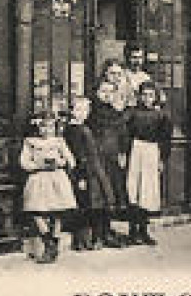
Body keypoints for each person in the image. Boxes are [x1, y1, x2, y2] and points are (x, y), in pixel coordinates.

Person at [18, 113, 76, 264]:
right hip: (38, 178)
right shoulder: (30, 142)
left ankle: (54, 241)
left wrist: (59, 162)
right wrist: (37, 165)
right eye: (43, 126)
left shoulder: (59, 142)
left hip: (56, 178)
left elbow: (71, 160)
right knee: (36, 211)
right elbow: (24, 162)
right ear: (38, 127)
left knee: (58, 212)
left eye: (50, 126)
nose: (46, 130)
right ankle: (48, 241)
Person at [62, 95, 118, 250]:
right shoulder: (73, 130)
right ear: (72, 111)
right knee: (84, 204)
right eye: (79, 109)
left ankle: (94, 238)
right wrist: (80, 176)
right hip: (85, 171)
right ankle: (81, 239)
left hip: (94, 169)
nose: (83, 113)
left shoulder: (84, 128)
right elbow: (77, 155)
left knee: (95, 203)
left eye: (86, 109)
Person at [123, 82, 173, 246]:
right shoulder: (132, 113)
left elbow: (165, 140)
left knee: (147, 191)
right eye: (144, 95)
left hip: (152, 151)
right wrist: (125, 153)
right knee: (133, 189)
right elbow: (125, 134)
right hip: (136, 150)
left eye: (150, 95)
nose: (147, 99)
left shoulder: (161, 116)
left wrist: (162, 159)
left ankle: (144, 230)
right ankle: (132, 231)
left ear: (156, 97)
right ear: (139, 96)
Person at [86, 76, 131, 245]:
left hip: (112, 159)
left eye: (110, 92)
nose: (106, 95)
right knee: (97, 196)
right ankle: (97, 233)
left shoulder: (116, 113)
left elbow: (123, 134)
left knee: (110, 195)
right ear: (96, 93)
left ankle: (107, 232)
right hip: (97, 160)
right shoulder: (92, 113)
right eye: (103, 91)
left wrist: (122, 153)